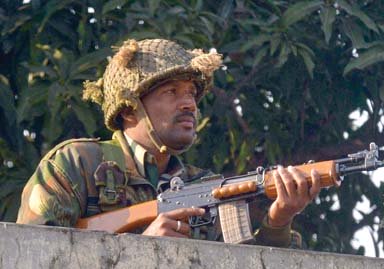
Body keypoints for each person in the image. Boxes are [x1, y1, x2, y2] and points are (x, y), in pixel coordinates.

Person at [17, 38, 319, 246]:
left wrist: (279, 219)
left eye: (191, 93)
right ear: (129, 108)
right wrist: (139, 250)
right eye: (171, 92)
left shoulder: (204, 184)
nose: (189, 103)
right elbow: (36, 256)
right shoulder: (77, 164)